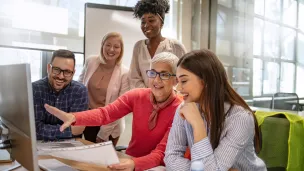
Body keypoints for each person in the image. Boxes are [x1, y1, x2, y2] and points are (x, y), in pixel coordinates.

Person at [44, 52, 182, 170]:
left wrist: (135, 163)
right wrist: (74, 117)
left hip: (156, 167)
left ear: (176, 80)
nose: (156, 80)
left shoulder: (181, 109)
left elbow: (161, 153)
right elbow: (106, 114)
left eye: (164, 75)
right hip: (128, 160)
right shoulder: (137, 95)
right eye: (153, 73)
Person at [164, 49, 267, 171]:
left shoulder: (240, 118)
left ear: (206, 81)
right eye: (178, 81)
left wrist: (198, 125)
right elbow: (171, 158)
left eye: (184, 81)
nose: (178, 88)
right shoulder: (184, 109)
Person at [78, 32, 129, 145]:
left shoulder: (125, 73)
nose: (111, 49)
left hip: (110, 124)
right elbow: (79, 87)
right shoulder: (91, 61)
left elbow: (120, 107)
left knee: (104, 161)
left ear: (121, 50)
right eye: (108, 45)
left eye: (116, 47)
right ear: (102, 45)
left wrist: (103, 133)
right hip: (89, 118)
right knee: (88, 159)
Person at [32, 49, 88, 141]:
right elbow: (35, 129)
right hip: (39, 145)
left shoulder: (80, 91)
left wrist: (73, 130)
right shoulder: (34, 89)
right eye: (56, 70)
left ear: (73, 73)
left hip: (70, 146)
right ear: (49, 68)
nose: (61, 76)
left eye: (67, 72)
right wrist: (69, 131)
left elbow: (78, 130)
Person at [129, 0, 186, 89]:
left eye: (151, 20)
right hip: (144, 99)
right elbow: (134, 77)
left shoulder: (176, 47)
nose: (146, 25)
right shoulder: (138, 47)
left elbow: (184, 76)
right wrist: (148, 94)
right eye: (143, 22)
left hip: (171, 99)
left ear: (162, 23)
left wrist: (166, 94)